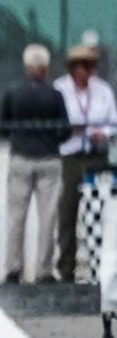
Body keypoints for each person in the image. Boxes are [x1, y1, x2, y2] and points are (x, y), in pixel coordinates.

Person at [0, 41, 66, 281]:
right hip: (48, 157)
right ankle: (44, 270)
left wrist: (19, 137)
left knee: (17, 216)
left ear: (26, 67)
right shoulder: (54, 95)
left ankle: (13, 268)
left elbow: (2, 128)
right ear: (45, 67)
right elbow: (65, 129)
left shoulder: (12, 93)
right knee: (47, 217)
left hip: (21, 157)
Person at [55, 33, 114, 281]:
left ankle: (101, 268)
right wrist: (73, 128)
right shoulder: (60, 88)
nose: (89, 69)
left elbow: (113, 120)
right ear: (74, 67)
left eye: (92, 64)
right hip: (71, 155)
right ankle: (66, 268)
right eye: (84, 64)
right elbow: (57, 121)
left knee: (101, 212)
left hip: (95, 155)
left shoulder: (103, 90)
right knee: (68, 210)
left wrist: (105, 132)